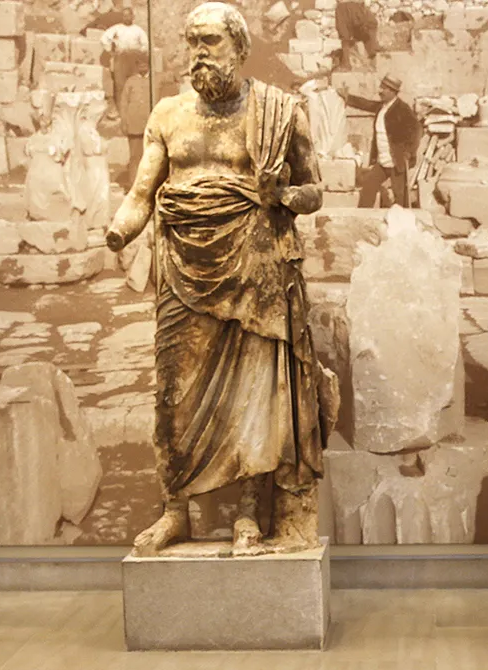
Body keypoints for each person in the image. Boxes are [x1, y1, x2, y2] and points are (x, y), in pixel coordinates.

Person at [104, 2, 331, 557]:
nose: (198, 54)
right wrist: (119, 232)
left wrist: (281, 194)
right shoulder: (167, 116)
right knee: (172, 393)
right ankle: (174, 511)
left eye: (209, 42)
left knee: (254, 398)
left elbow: (314, 191)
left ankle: (249, 516)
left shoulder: (280, 113)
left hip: (255, 274)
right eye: (192, 43)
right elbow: (141, 194)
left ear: (240, 48)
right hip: (183, 272)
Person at [346, 76, 419, 208]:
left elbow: (416, 131)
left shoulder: (402, 109)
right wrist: (347, 97)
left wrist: (408, 152)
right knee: (368, 186)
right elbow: (366, 104)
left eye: (384, 88)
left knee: (400, 196)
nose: (380, 91)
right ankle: (364, 217)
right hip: (382, 161)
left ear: (392, 91)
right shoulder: (381, 107)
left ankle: (404, 223)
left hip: (397, 161)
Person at [99, 7, 149, 122]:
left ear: (133, 17)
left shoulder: (138, 30)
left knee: (133, 83)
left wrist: (137, 52)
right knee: (119, 84)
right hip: (120, 59)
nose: (126, 17)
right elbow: (104, 39)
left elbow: (145, 45)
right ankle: (121, 112)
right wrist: (111, 51)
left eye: (129, 15)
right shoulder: (116, 29)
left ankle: (134, 111)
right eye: (124, 15)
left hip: (134, 60)